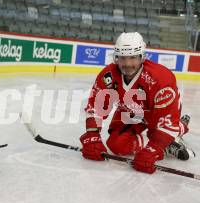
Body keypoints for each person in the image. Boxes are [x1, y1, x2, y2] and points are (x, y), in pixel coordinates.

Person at [80, 32, 193, 174]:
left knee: (159, 134)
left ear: (142, 56)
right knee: (116, 145)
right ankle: (169, 141)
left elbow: (167, 123)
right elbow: (97, 108)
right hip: (130, 113)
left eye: (133, 57)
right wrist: (92, 134)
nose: (127, 64)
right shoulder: (108, 75)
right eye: (122, 58)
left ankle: (180, 127)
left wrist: (153, 150)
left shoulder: (160, 79)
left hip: (156, 114)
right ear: (116, 57)